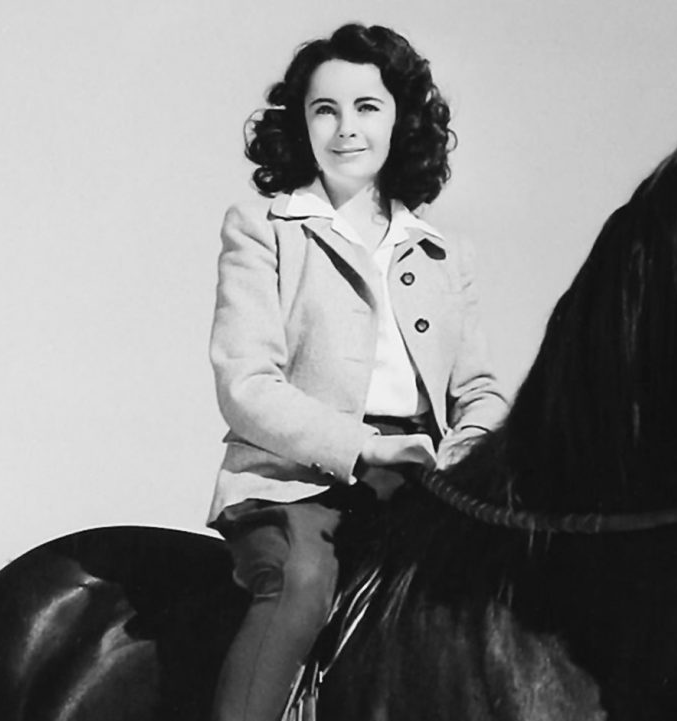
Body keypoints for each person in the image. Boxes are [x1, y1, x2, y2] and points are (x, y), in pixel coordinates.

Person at [207, 23, 508, 721]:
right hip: (294, 485)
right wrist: (367, 447)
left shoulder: (445, 252)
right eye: (326, 109)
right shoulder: (261, 227)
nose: (346, 128)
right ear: (302, 125)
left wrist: (465, 448)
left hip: (425, 484)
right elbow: (246, 385)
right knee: (303, 583)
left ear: (401, 121)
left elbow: (480, 390)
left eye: (367, 107)